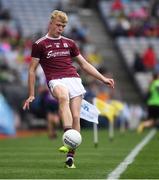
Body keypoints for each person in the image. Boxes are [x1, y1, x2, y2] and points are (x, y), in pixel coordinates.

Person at [23, 10, 114, 168]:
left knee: (76, 116)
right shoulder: (39, 44)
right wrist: (31, 94)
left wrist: (103, 78)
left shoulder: (70, 43)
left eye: (63, 26)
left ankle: (70, 157)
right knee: (63, 97)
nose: (60, 28)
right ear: (50, 23)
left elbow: (84, 64)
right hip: (55, 80)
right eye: (58, 25)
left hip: (74, 79)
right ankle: (67, 135)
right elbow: (31, 70)